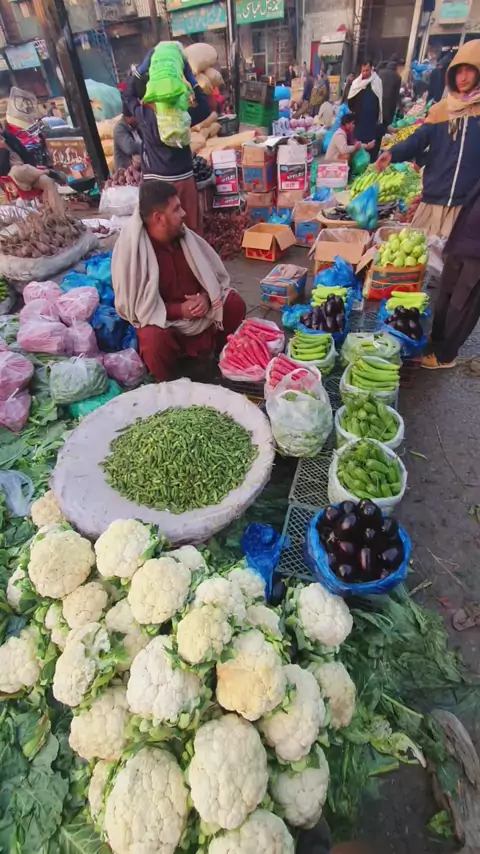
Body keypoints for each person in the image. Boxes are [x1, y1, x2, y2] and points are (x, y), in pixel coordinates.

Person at [111, 180, 246, 383]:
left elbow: (212, 278)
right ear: (158, 218)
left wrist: (205, 297)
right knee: (152, 338)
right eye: (176, 209)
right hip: (168, 324)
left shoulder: (185, 237)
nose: (183, 213)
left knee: (234, 303)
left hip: (202, 318)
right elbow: (139, 309)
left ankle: (219, 360)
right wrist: (179, 311)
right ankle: (171, 386)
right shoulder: (133, 252)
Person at [376, 41, 480, 238]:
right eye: (459, 71)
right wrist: (392, 153)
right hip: (434, 198)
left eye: (469, 70)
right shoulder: (440, 110)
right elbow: (419, 139)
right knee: (422, 250)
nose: (463, 77)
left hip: (467, 205)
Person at [123, 50, 210, 233]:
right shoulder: (182, 116)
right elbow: (205, 107)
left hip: (156, 186)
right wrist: (191, 78)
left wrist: (138, 72)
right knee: (191, 231)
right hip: (184, 180)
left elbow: (127, 96)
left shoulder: (145, 116)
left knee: (162, 232)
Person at [420, 175, 480, 369]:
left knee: (463, 303)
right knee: (446, 291)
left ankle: (446, 355)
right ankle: (437, 336)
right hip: (462, 237)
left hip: (476, 253)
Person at [0, 126, 64, 214]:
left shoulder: (10, 138)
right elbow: (2, 170)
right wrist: (3, 149)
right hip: (14, 179)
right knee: (16, 170)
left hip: (30, 173)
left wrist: (31, 166)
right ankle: (47, 172)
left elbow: (27, 155)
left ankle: (59, 215)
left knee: (48, 181)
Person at [347, 60, 384, 161]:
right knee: (358, 144)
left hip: (371, 121)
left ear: (371, 69)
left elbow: (380, 100)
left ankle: (369, 164)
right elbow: (350, 98)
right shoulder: (357, 83)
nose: (365, 73)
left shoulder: (377, 82)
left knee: (370, 146)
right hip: (359, 120)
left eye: (367, 70)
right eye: (363, 71)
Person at [113, 105, 142, 171]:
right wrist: (147, 147)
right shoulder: (119, 129)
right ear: (129, 117)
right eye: (136, 116)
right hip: (126, 171)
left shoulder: (136, 126)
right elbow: (130, 148)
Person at [378, 54, 401, 128]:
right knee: (384, 127)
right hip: (388, 107)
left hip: (377, 104)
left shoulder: (380, 73)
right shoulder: (397, 77)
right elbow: (396, 95)